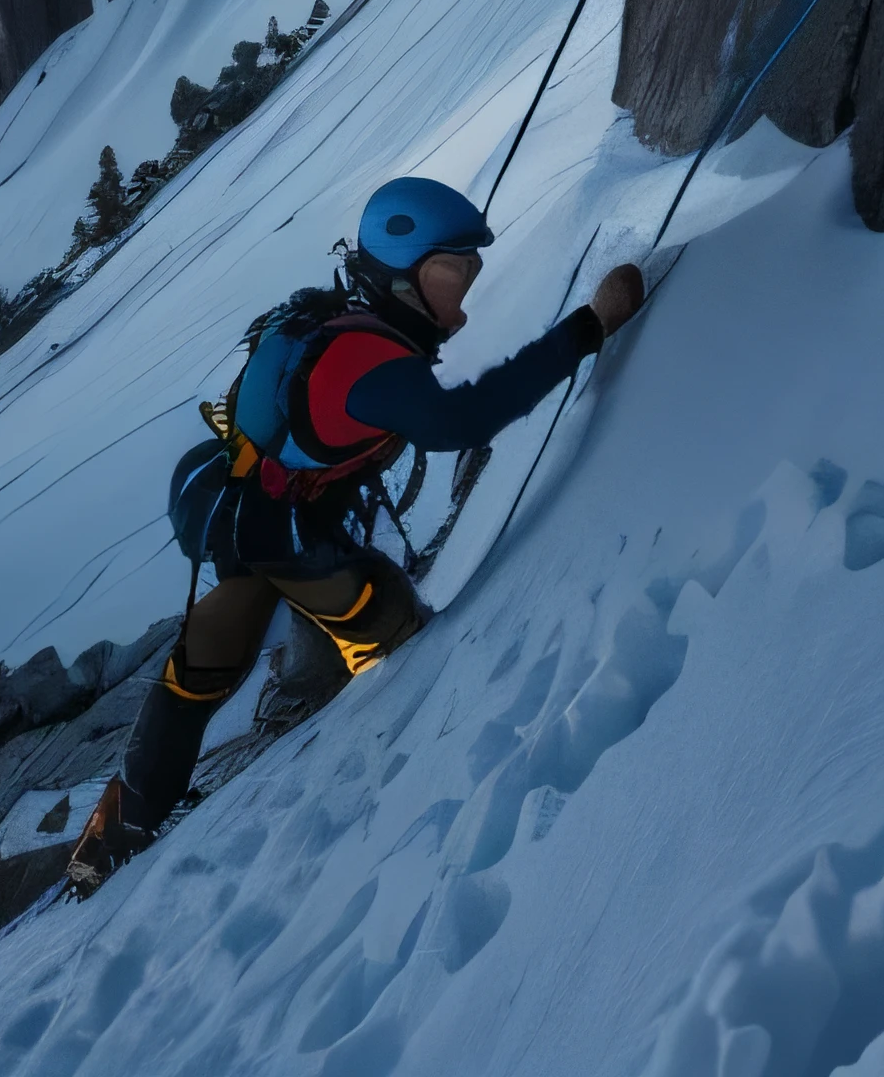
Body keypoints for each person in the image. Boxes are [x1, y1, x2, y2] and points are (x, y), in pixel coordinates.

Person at [67, 176, 644, 893]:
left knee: (202, 673)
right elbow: (459, 422)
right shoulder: (368, 361)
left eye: (468, 271)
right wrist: (589, 326)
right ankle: (402, 747)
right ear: (404, 277)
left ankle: (110, 843)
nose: (463, 288)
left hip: (239, 511)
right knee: (391, 620)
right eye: (449, 271)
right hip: (283, 533)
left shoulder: (334, 322)